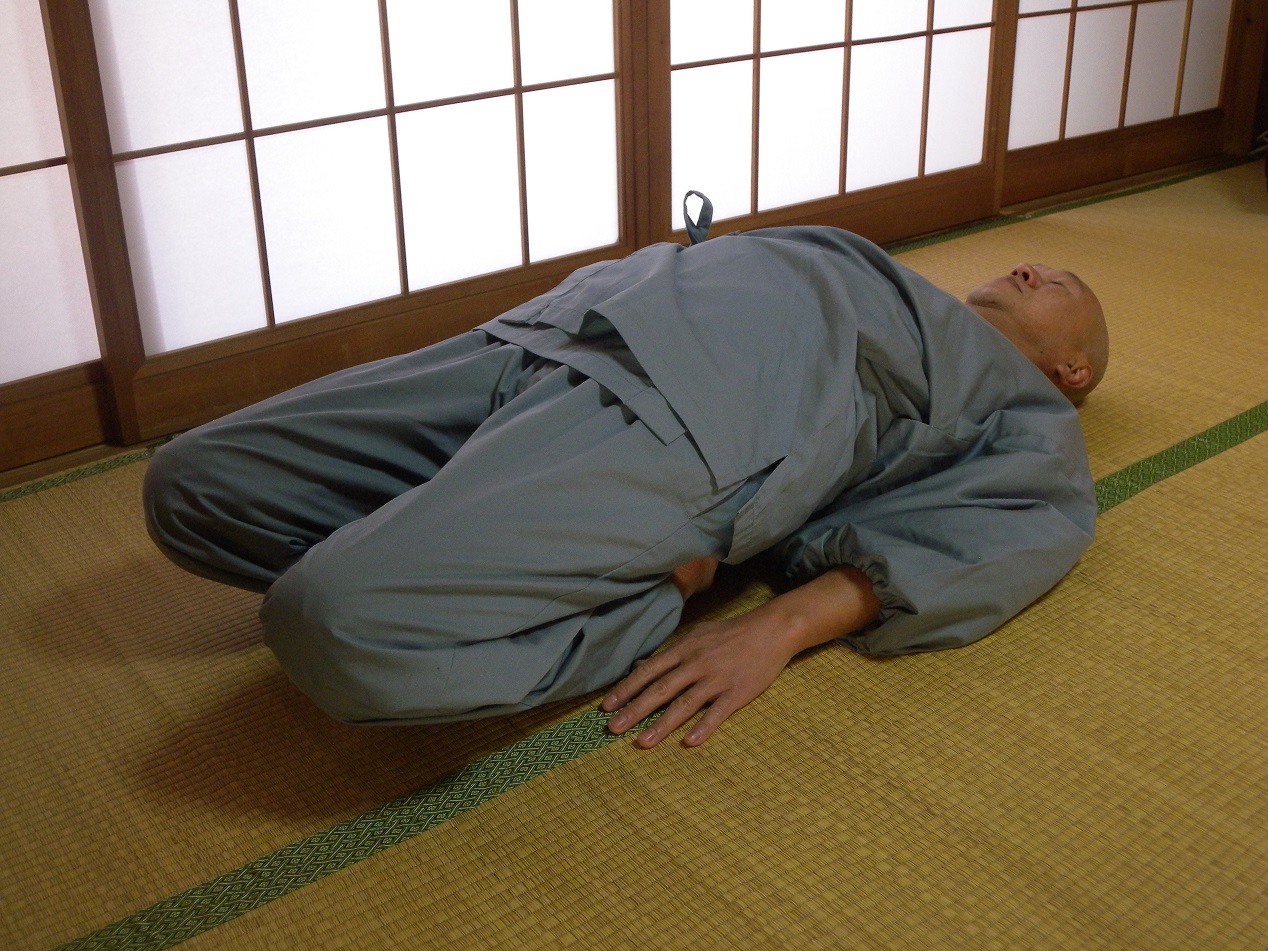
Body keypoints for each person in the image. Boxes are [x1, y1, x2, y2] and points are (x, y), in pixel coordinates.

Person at [144, 220, 1107, 749]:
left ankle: (637, 592)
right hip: (564, 330)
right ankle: (454, 546)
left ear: (1075, 370)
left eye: (1060, 284)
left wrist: (772, 628)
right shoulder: (907, 286)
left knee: (327, 622)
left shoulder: (1034, 420)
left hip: (698, 413)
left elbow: (998, 539)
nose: (1031, 267)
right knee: (190, 486)